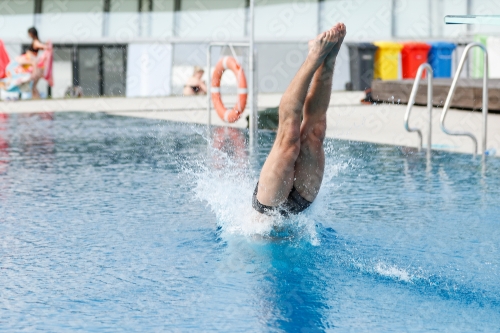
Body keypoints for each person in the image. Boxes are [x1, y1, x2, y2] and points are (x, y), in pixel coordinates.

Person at [252, 23, 346, 217]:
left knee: (298, 136)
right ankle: (327, 56)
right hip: (270, 219)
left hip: (273, 207)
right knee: (300, 140)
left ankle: (318, 55)